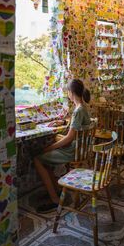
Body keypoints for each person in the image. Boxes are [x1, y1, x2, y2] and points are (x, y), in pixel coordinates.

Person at [34, 79, 91, 213]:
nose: (68, 95)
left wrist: (50, 147)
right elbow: (75, 126)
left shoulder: (78, 111)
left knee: (37, 159)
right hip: (80, 148)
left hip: (73, 151)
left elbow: (69, 138)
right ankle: (56, 190)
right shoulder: (82, 108)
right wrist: (64, 122)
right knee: (45, 160)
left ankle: (54, 200)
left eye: (68, 92)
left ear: (71, 93)